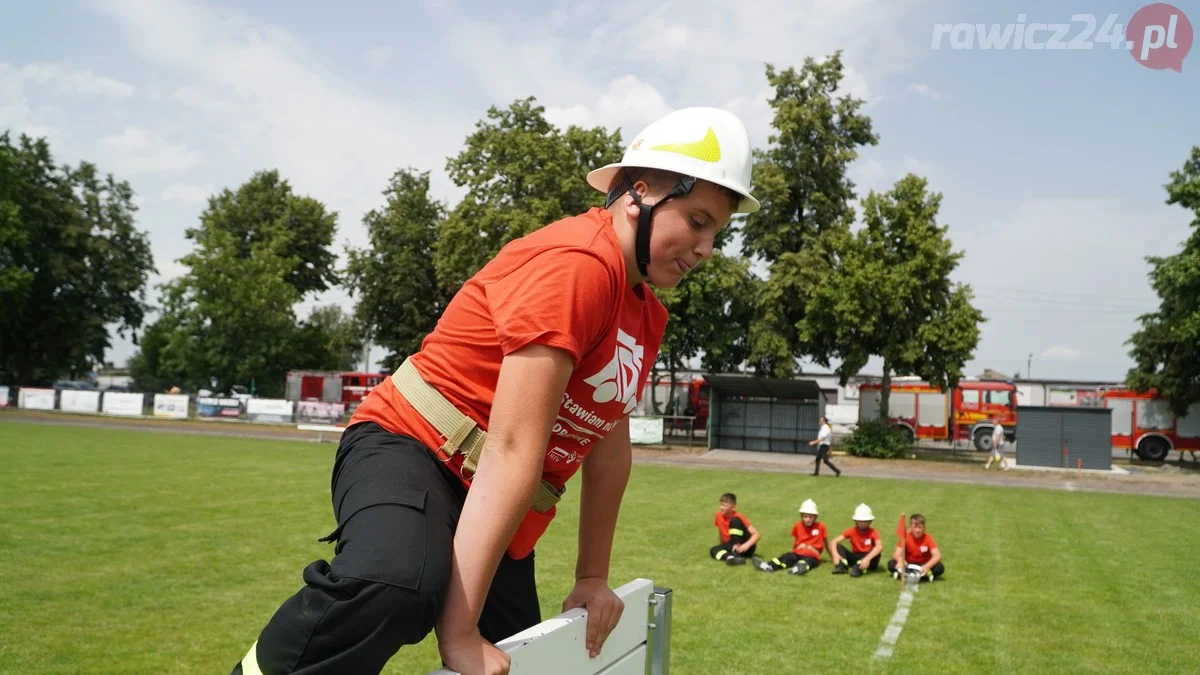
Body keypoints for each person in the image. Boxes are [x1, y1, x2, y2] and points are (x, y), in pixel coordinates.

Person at [229, 107, 761, 675]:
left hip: (494, 498)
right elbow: (512, 447)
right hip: (413, 447)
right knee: (393, 582)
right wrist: (459, 631)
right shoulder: (579, 264)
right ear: (639, 192)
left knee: (533, 656)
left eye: (717, 233)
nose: (706, 247)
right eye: (698, 220)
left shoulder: (646, 314)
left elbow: (608, 451)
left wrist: (590, 578)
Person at [752, 499, 830, 575]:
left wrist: (834, 557)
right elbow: (796, 542)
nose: (808, 519)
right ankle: (768, 566)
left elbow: (827, 544)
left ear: (815, 517)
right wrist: (795, 551)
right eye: (805, 516)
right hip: (798, 552)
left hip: (813, 554)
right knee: (786, 557)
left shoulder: (821, 527)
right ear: (802, 516)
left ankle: (797, 569)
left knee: (808, 562)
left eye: (810, 517)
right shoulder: (798, 526)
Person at [888, 513, 944, 582]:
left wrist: (927, 566)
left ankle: (921, 574)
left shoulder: (928, 538)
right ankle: (913, 575)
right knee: (891, 564)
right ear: (910, 527)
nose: (917, 530)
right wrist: (900, 560)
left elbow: (937, 555)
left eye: (920, 527)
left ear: (924, 528)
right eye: (915, 527)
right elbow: (896, 554)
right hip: (908, 564)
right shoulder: (905, 537)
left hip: (923, 564)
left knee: (939, 567)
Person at [830, 503, 883, 577]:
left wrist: (867, 558)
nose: (862, 524)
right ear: (856, 521)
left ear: (870, 521)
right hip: (856, 556)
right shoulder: (851, 530)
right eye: (860, 521)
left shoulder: (873, 532)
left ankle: (859, 568)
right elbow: (834, 542)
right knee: (838, 546)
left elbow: (879, 547)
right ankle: (842, 566)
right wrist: (835, 555)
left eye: (865, 521)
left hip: (869, 558)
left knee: (876, 553)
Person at [710, 492, 761, 565]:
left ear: (733, 507)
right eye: (721, 505)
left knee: (734, 521)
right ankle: (730, 558)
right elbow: (721, 531)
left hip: (745, 546)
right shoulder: (718, 515)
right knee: (713, 550)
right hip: (731, 545)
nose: (721, 508)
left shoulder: (738, 517)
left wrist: (746, 545)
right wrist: (723, 545)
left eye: (724, 506)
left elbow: (757, 535)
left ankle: (736, 551)